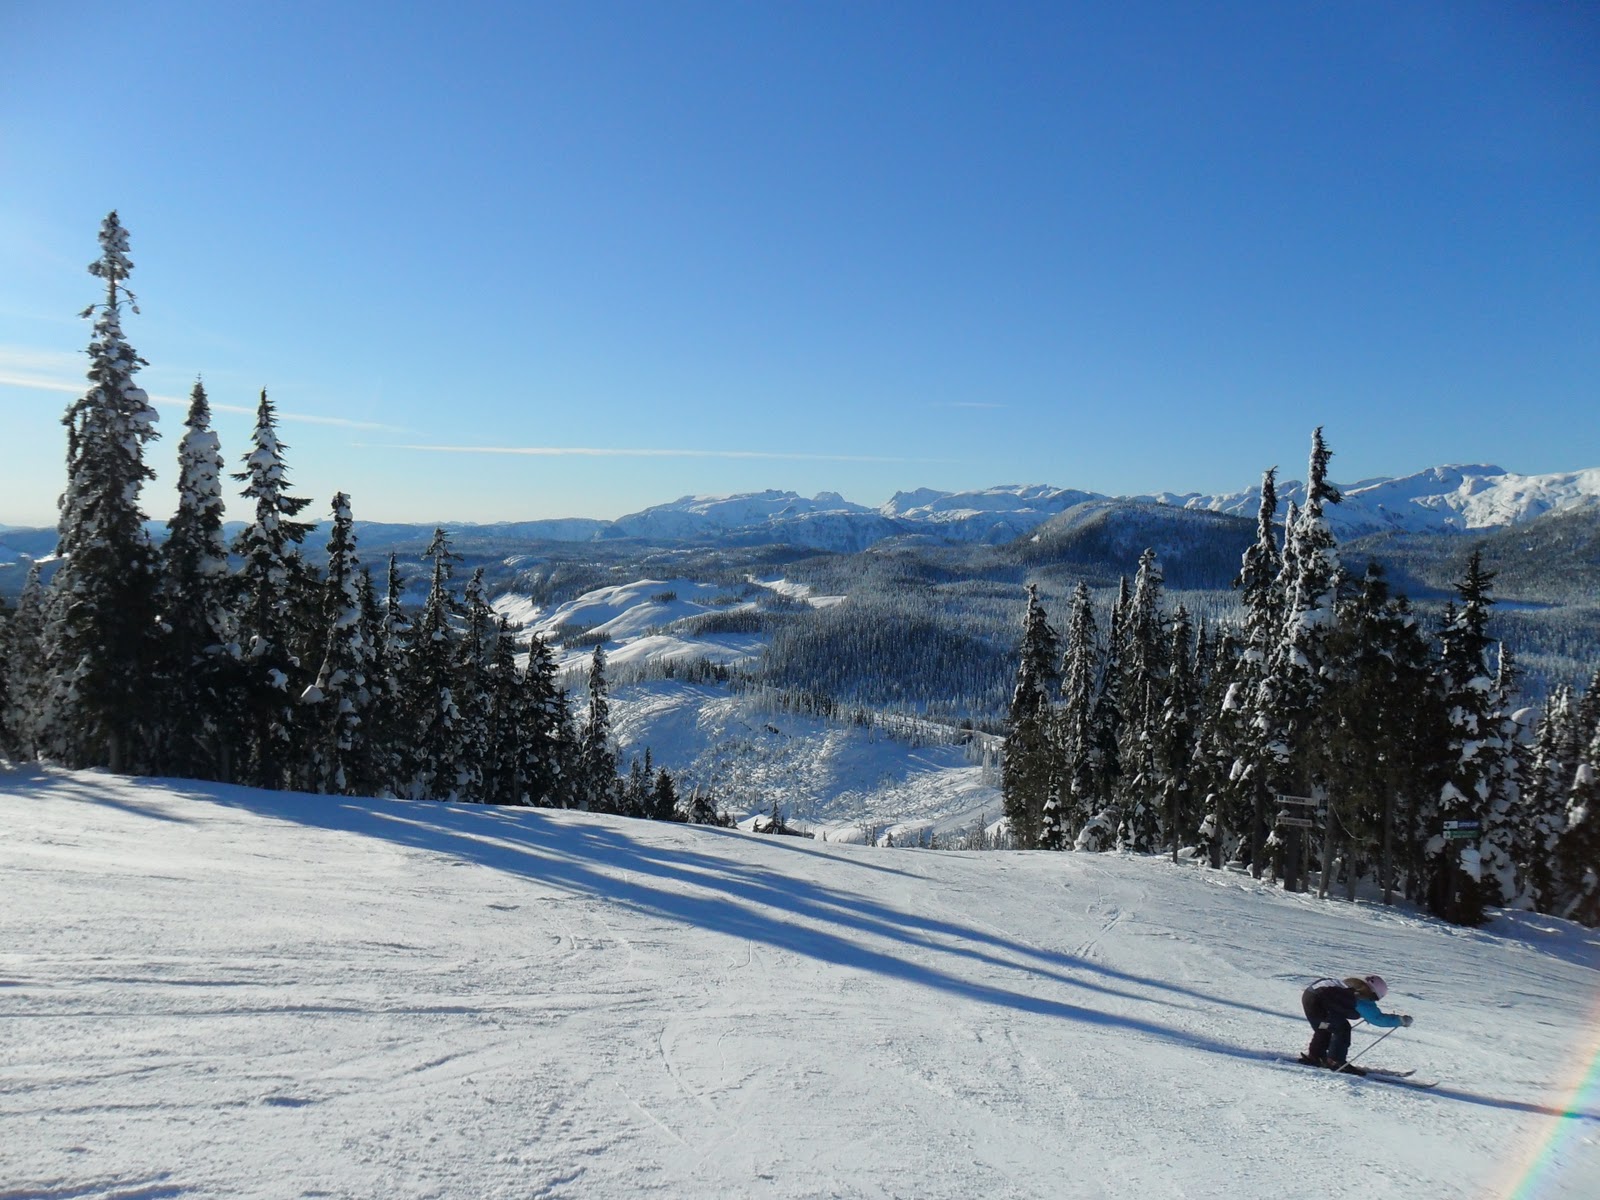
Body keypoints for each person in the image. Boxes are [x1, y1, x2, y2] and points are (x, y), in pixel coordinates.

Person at [1298, 975, 1413, 1074]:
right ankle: (1335, 1061)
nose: (1372, 1001)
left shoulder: (1348, 985)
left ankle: (1315, 1056)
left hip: (1310, 998)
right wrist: (1401, 1020)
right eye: (1374, 998)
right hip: (1320, 1004)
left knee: (1324, 1027)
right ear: (1372, 993)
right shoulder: (1361, 997)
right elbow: (1377, 1019)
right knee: (1342, 1028)